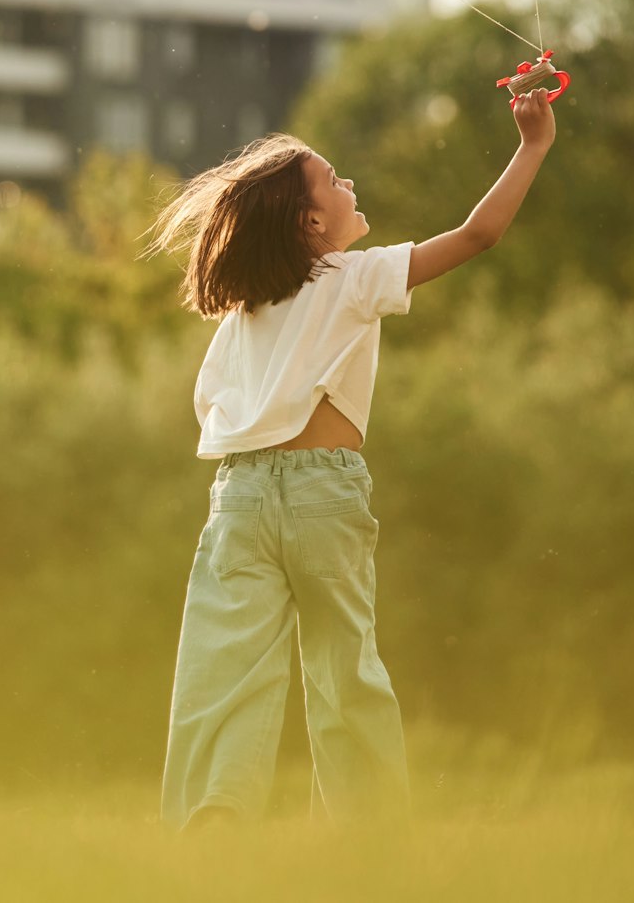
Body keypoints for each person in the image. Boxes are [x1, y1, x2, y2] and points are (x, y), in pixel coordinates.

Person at [142, 87, 558, 832]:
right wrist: (531, 146)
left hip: (237, 498)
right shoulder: (353, 276)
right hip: (319, 497)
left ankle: (216, 815)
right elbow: (476, 235)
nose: (350, 186)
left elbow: (215, 409)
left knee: (224, 671)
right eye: (335, 182)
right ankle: (365, 836)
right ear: (312, 222)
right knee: (344, 671)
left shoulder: (243, 313)